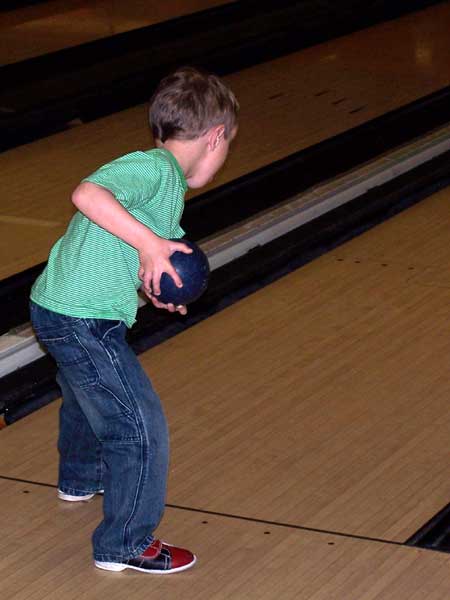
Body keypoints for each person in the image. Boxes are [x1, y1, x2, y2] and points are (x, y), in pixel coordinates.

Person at [29, 66, 239, 574]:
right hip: (81, 317)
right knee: (138, 427)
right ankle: (125, 543)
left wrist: (153, 283)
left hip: (60, 305)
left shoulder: (163, 190)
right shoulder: (153, 169)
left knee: (84, 393)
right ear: (215, 137)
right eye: (230, 142)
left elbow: (127, 247)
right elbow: (88, 195)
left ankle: (79, 478)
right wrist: (150, 243)